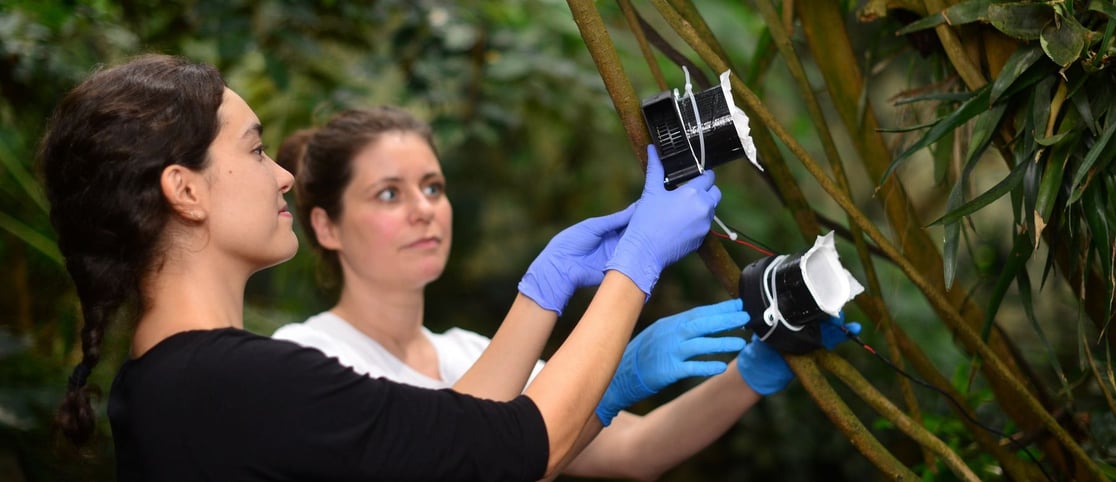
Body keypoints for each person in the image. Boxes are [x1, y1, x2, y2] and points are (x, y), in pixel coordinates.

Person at [42, 53, 724, 481]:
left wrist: (543, 289)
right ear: (184, 191)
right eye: (253, 151)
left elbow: (450, 444)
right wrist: (636, 265)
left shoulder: (168, 382)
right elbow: (518, 449)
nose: (282, 175)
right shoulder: (241, 380)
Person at [273, 106, 862, 480]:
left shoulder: (472, 352)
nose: (423, 210)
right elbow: (452, 460)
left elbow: (634, 450)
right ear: (325, 226)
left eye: (432, 187)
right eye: (388, 194)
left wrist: (752, 372)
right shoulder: (307, 358)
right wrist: (615, 371)